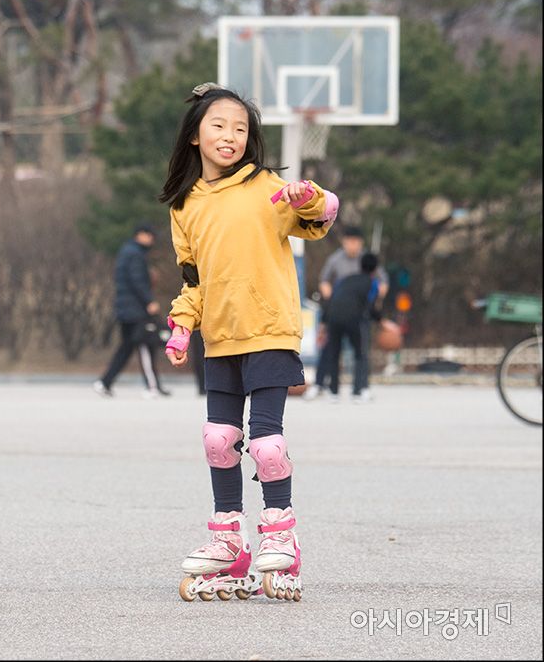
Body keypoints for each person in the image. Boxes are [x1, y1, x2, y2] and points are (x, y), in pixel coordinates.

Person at [159, 83, 339, 602]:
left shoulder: (265, 187)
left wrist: (312, 198)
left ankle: (281, 535)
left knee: (264, 441)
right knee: (218, 439)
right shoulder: (185, 204)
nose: (231, 136)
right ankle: (228, 539)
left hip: (269, 331)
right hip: (219, 338)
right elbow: (192, 280)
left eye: (240, 128)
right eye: (219, 125)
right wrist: (181, 325)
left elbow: (320, 217)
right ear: (195, 135)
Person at [304, 226, 388, 401]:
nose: (352, 245)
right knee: (334, 351)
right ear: (344, 242)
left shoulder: (363, 262)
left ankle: (354, 388)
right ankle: (326, 386)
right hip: (340, 309)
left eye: (355, 241)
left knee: (358, 351)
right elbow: (324, 281)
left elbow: (383, 283)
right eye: (349, 241)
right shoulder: (336, 260)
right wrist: (381, 319)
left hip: (353, 311)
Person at [93, 223, 171, 399]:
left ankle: (104, 382)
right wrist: (149, 301)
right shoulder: (135, 254)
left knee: (127, 347)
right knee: (145, 345)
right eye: (149, 235)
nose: (152, 239)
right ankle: (153, 387)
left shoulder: (126, 251)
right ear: (140, 235)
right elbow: (137, 281)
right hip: (135, 310)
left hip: (125, 309)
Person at [321, 252, 384, 402]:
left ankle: (333, 392)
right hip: (354, 319)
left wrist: (324, 323)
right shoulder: (372, 283)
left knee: (334, 354)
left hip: (334, 318)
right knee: (360, 354)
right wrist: (381, 320)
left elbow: (331, 301)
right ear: (375, 269)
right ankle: (358, 391)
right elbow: (370, 306)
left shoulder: (344, 280)